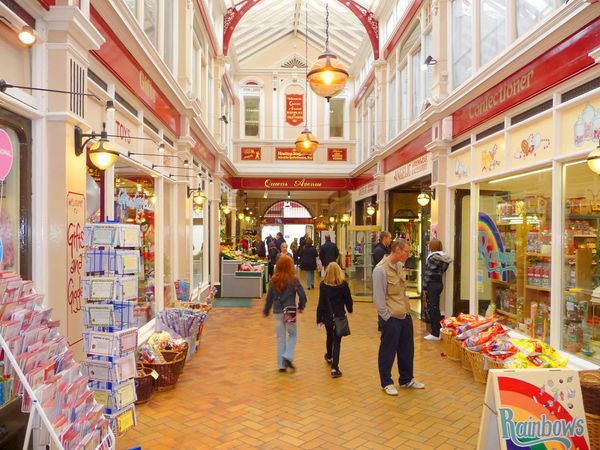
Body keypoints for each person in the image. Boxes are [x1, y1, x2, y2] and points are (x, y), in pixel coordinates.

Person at [373, 239, 425, 395]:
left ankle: (407, 379)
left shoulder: (400, 266)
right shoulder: (380, 270)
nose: (408, 254)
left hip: (405, 315)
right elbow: (378, 298)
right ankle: (386, 382)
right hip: (392, 317)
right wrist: (386, 317)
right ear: (396, 250)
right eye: (406, 251)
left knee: (407, 349)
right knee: (388, 351)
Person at [263, 256, 307, 372]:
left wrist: (266, 310)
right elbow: (303, 296)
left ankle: (281, 365)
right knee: (292, 334)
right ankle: (288, 355)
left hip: (277, 311)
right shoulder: (294, 280)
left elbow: (269, 298)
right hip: (290, 310)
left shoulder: (274, 279)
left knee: (280, 337)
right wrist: (301, 306)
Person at [317, 262, 353, 378]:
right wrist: (350, 309)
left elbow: (321, 303)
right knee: (337, 341)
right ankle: (335, 368)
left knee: (329, 335)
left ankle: (329, 356)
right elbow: (348, 300)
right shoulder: (343, 285)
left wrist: (319, 318)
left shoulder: (323, 285)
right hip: (339, 316)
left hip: (328, 316)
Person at [422, 239, 452, 341]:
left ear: (431, 247)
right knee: (435, 307)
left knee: (433, 308)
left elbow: (428, 274)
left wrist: (424, 287)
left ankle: (436, 333)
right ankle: (437, 332)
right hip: (439, 283)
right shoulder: (443, 257)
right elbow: (443, 269)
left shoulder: (432, 258)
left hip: (432, 284)